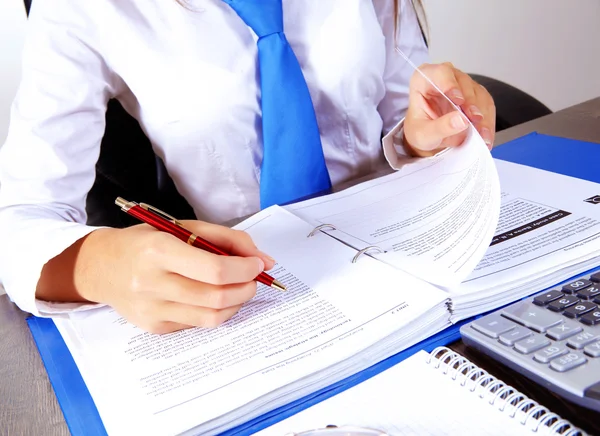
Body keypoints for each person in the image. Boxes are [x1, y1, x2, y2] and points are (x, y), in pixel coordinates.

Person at [0, 0, 495, 334]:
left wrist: (422, 136)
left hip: (402, 255)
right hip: (253, 294)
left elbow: (394, 116)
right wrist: (101, 266)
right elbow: (19, 217)